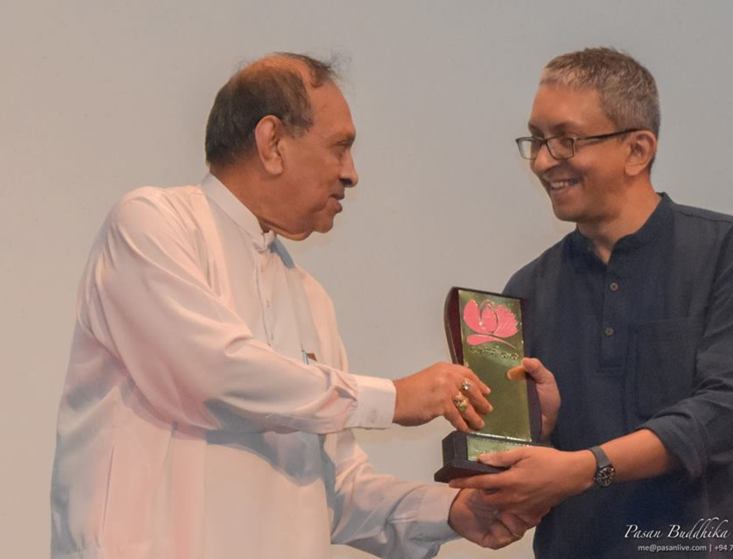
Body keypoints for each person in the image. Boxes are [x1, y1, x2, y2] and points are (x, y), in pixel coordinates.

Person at [50, 52, 554, 559]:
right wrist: (394, 399)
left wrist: (452, 512)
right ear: (271, 143)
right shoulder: (152, 224)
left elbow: (336, 490)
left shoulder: (308, 295)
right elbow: (213, 374)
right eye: (339, 148)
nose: (351, 174)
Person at [451, 48, 733, 557]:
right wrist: (535, 434)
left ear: (638, 149)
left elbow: (728, 412)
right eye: (538, 141)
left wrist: (587, 467)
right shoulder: (526, 289)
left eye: (566, 140)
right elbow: (526, 468)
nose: (545, 161)